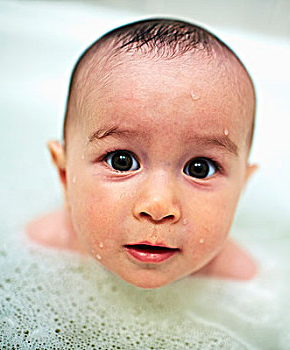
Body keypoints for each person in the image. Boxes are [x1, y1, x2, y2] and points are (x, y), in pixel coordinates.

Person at [27, 18, 258, 289]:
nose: (158, 206)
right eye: (121, 162)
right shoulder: (44, 246)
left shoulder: (237, 278)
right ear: (65, 176)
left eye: (199, 168)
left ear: (240, 189)